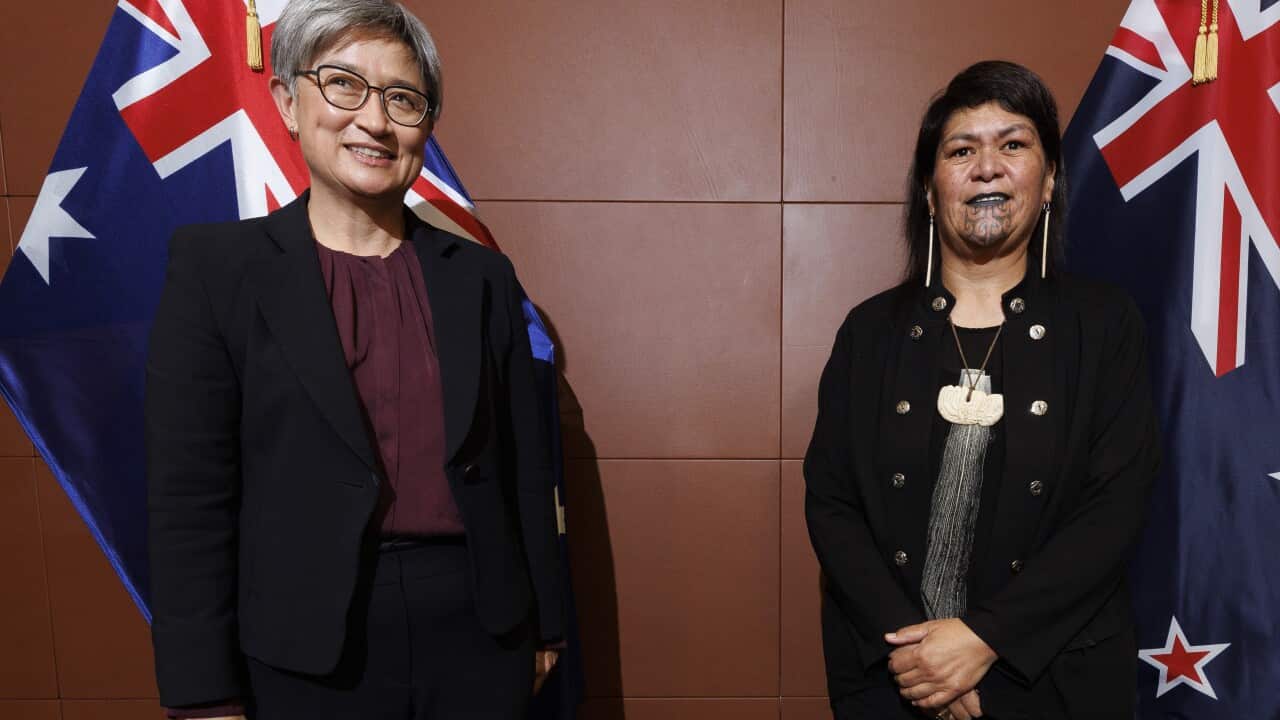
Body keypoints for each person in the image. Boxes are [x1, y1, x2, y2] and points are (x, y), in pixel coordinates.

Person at [145, 1, 562, 718]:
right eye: (343, 84)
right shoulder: (216, 269)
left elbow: (527, 468)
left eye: (403, 98)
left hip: (480, 635)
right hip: (302, 647)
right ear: (287, 100)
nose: (374, 120)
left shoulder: (482, 276)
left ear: (426, 124)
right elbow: (189, 500)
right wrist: (202, 690)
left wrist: (547, 625)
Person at [804, 60, 1160, 720]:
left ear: (1050, 180)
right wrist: (918, 657)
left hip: (1055, 679)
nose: (987, 167)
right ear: (931, 193)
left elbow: (1115, 506)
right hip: (893, 678)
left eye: (1014, 145)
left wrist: (982, 638)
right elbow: (831, 501)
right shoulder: (870, 332)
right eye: (962, 149)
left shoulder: (1106, 325)